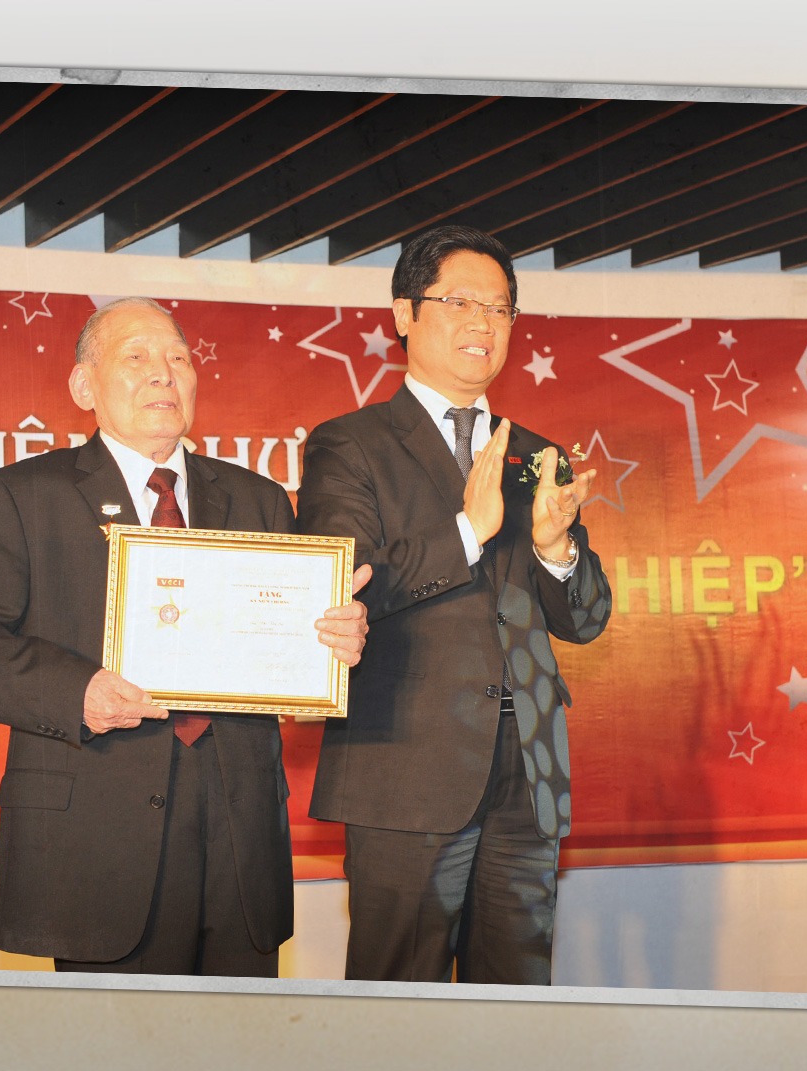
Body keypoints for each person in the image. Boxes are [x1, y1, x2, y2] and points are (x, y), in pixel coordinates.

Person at [0, 297, 370, 976]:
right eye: (136, 357)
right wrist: (77, 692)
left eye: (178, 358)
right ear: (84, 386)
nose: (164, 372)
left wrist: (335, 643)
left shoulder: (258, 499)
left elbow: (288, 650)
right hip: (98, 836)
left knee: (240, 1032)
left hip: (239, 835)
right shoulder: (27, 494)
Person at [296, 225, 613, 985]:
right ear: (404, 313)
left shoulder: (536, 454)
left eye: (500, 309)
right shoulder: (351, 444)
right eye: (461, 303)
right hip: (408, 766)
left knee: (514, 1000)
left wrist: (555, 551)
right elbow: (346, 580)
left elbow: (586, 618)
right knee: (398, 1000)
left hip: (528, 769)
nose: (483, 323)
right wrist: (469, 530)